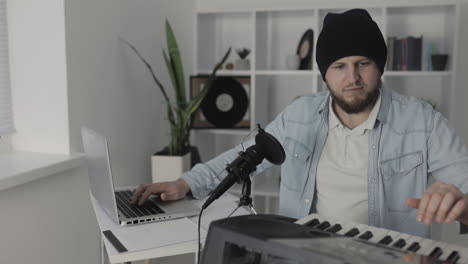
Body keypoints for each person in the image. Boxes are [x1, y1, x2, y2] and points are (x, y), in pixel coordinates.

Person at [132, 9, 468, 238]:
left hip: (387, 257)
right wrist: (185, 183)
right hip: (305, 251)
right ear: (324, 73)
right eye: (339, 66)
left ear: (379, 66)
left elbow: (465, 187)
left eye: (363, 63)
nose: (352, 77)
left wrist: (459, 201)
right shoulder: (299, 115)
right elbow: (244, 156)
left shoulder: (423, 121)